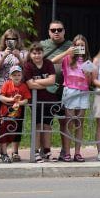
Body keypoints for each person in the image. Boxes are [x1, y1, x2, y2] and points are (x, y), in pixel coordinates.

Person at [0, 29, 27, 161]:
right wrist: (4, 56)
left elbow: (27, 68)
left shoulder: (23, 52)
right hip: (0, 90)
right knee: (1, 121)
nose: (11, 42)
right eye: (8, 39)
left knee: (17, 120)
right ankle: (1, 150)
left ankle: (15, 151)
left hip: (18, 91)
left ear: (18, 40)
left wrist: (19, 57)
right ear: (4, 40)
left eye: (14, 39)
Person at [57, 35, 93, 162]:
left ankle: (77, 152)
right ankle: (67, 152)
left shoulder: (88, 60)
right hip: (70, 90)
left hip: (83, 91)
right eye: (77, 45)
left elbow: (89, 82)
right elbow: (51, 62)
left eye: (82, 45)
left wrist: (88, 74)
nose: (79, 48)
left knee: (79, 123)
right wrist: (67, 52)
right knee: (69, 122)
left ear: (85, 47)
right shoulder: (67, 58)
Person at [43, 20, 73, 160]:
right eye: (53, 30)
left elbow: (80, 61)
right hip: (47, 90)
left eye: (59, 29)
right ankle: (45, 151)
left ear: (64, 31)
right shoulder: (43, 45)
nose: (56, 32)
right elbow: (44, 63)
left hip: (66, 89)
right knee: (46, 121)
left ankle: (65, 152)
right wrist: (65, 54)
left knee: (65, 121)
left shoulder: (72, 45)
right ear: (49, 32)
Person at [23, 43, 56, 163]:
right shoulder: (28, 66)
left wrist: (37, 81)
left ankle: (47, 151)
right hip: (35, 100)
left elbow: (52, 80)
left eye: (39, 52)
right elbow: (30, 84)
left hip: (49, 99)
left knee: (47, 125)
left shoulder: (48, 63)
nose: (37, 55)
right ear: (30, 54)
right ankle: (35, 151)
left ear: (43, 53)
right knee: (37, 126)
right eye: (34, 53)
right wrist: (45, 83)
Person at [0, 66, 30, 163]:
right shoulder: (7, 84)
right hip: (5, 114)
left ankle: (4, 152)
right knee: (3, 134)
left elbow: (26, 99)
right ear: (10, 76)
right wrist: (11, 100)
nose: (16, 77)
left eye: (18, 75)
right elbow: (1, 97)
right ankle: (4, 154)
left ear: (21, 76)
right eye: (14, 75)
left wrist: (19, 103)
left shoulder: (23, 86)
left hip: (16, 115)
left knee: (12, 135)